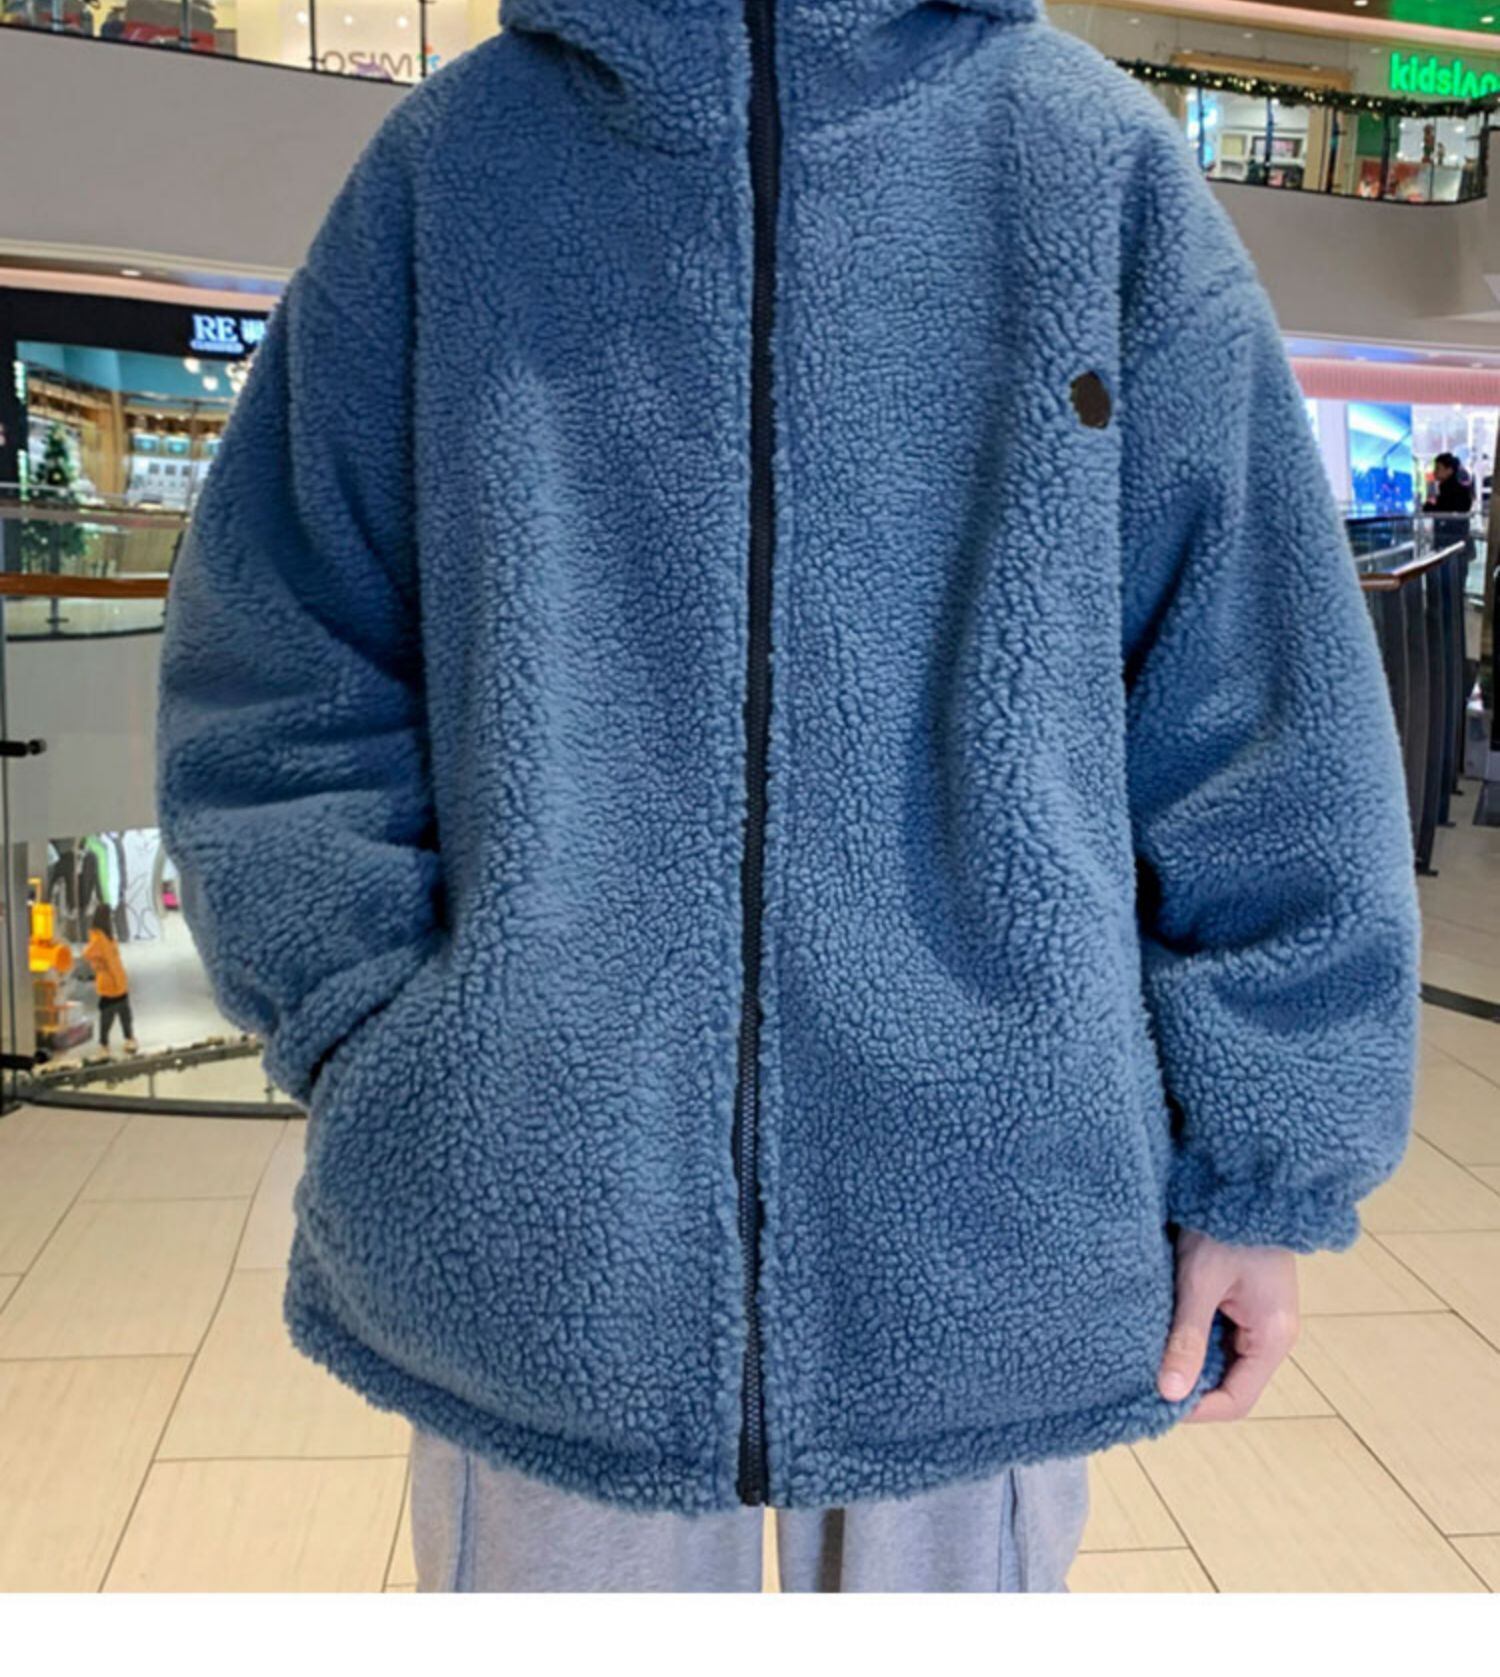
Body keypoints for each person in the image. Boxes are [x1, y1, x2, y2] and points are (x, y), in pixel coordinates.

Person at [154, 0, 1422, 1593]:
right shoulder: (456, 169)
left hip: (987, 1219)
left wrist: (1268, 1158)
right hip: (542, 1230)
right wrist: (380, 1031)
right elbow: (279, 660)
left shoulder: (1085, 163)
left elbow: (1258, 692)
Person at [83, 902, 137, 1059]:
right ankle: (105, 1044)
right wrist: (99, 966)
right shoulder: (99, 938)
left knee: (124, 1014)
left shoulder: (106, 936)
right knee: (109, 1016)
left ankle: (127, 1038)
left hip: (118, 982)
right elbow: (89, 954)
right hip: (110, 984)